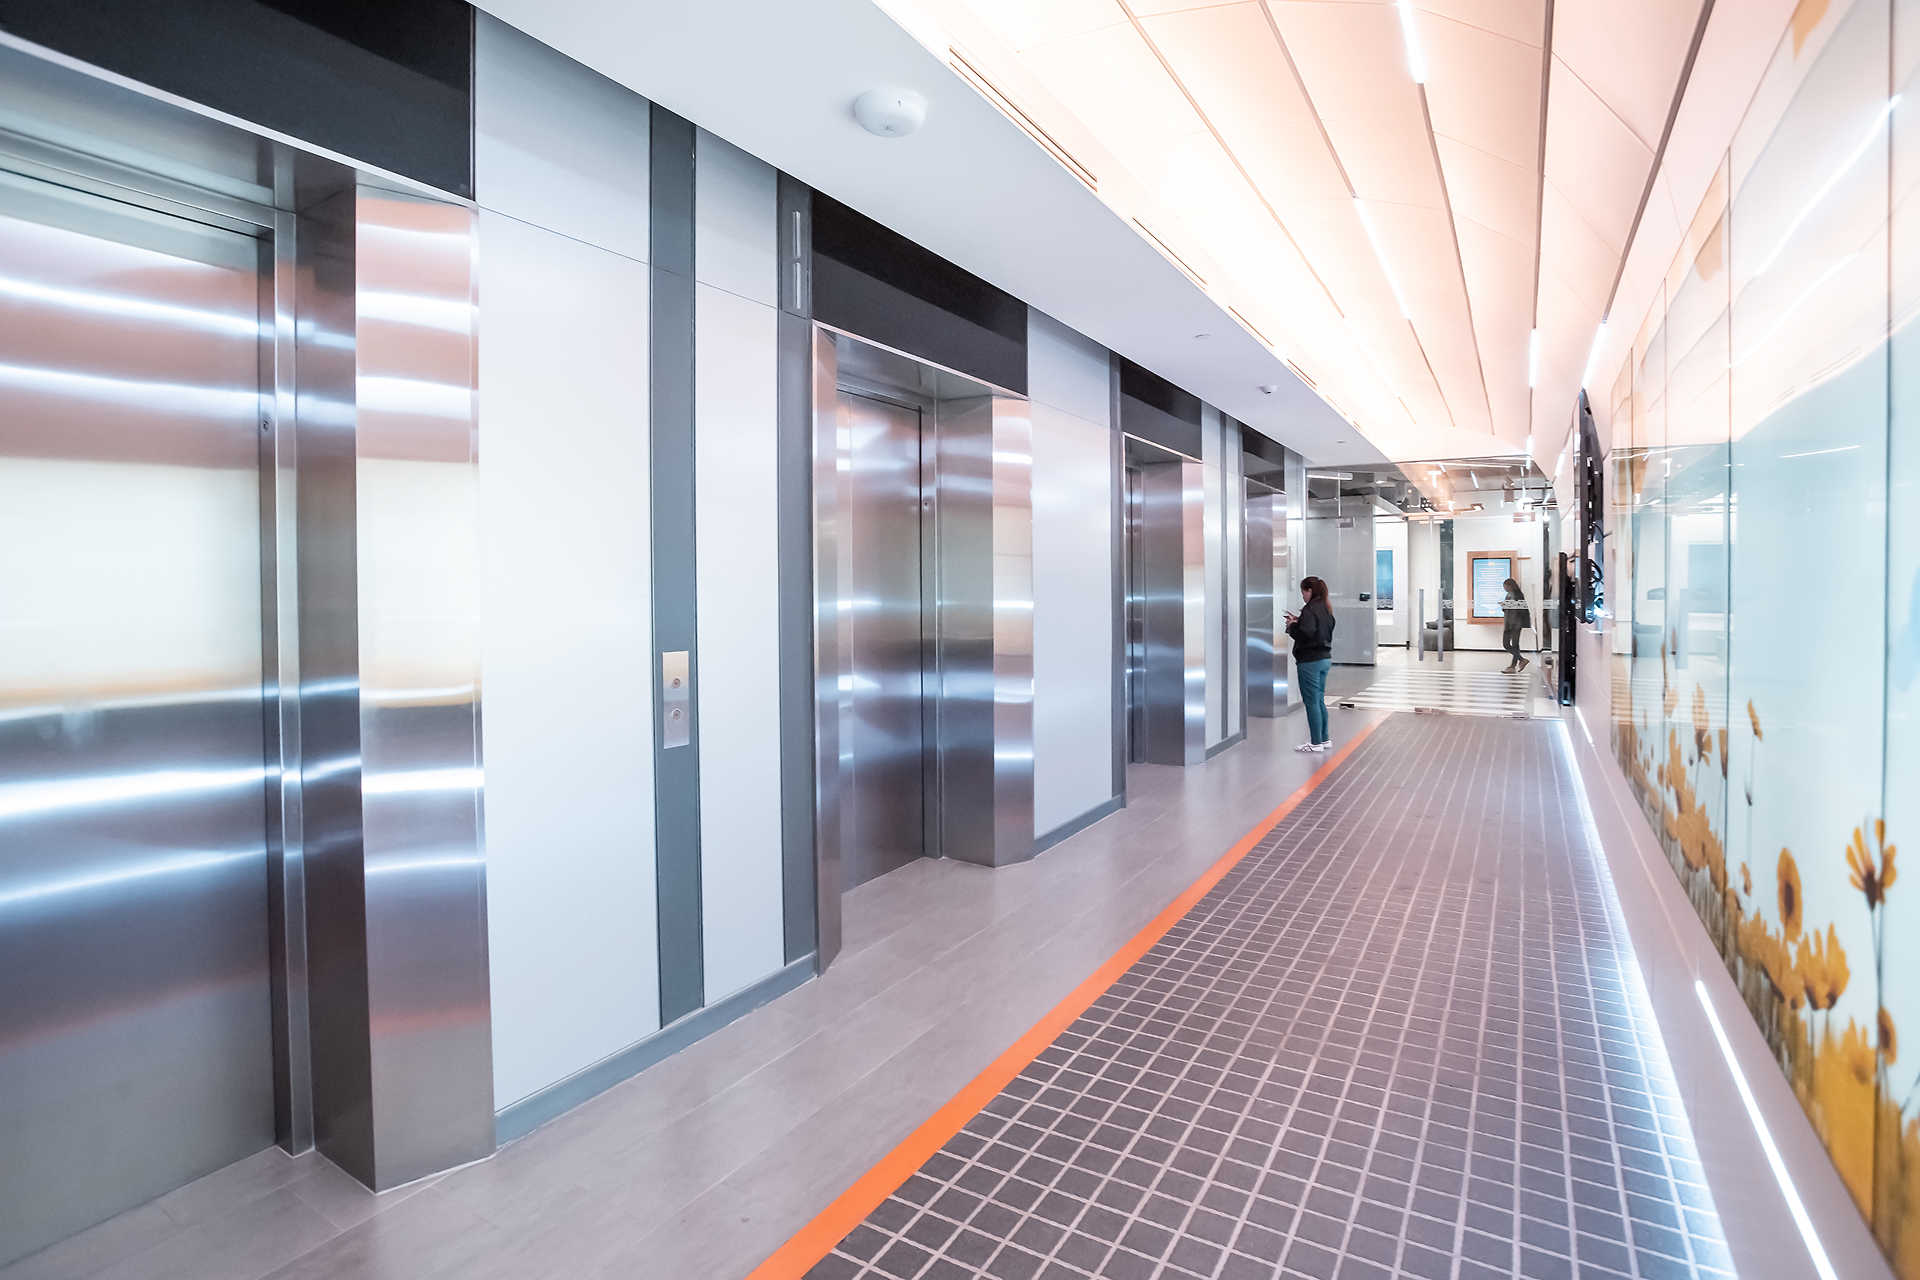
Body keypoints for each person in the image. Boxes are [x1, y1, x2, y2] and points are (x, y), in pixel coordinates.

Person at [1285, 576, 1335, 753]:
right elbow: (1317, 631)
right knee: (1319, 700)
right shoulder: (1326, 609)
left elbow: (1305, 635)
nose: (1303, 597)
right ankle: (1324, 738)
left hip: (1310, 661)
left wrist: (1291, 626)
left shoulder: (1310, 609)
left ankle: (1315, 743)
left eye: (1303, 593)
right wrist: (1299, 621)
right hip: (1324, 659)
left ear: (1310, 591)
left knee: (1311, 702)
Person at [1500, 576, 1530, 674]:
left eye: (1505, 586)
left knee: (1515, 644)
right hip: (1509, 622)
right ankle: (1521, 660)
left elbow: (1522, 610)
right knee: (1506, 644)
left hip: (1516, 623)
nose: (1504, 588)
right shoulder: (1508, 595)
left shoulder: (1518, 595)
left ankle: (1513, 666)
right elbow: (1505, 610)